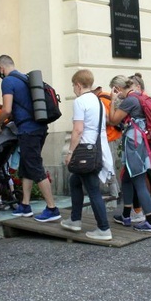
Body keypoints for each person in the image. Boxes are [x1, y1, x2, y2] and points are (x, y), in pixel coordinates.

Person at [0, 55, 61, 222]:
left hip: (28, 130)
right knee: (26, 166)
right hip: (39, 127)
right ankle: (25, 205)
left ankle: (52, 208)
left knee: (35, 167)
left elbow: (7, 109)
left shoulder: (8, 81)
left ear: (1, 68)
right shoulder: (25, 78)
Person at [61, 69, 115, 240]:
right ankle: (74, 220)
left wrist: (70, 152)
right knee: (75, 181)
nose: (73, 89)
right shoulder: (97, 100)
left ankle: (104, 229)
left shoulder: (80, 101)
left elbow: (78, 130)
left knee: (92, 189)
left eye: (73, 86)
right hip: (98, 148)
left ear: (78, 85)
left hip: (85, 150)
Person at [108, 75, 151, 232]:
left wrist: (112, 101)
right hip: (138, 141)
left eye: (115, 90)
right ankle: (126, 215)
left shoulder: (130, 100)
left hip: (134, 143)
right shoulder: (139, 96)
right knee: (126, 178)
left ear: (117, 89)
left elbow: (113, 120)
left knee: (138, 180)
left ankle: (150, 221)